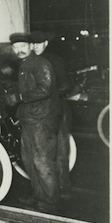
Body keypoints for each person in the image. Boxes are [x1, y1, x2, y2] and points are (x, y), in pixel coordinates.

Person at [5, 32, 61, 213]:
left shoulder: (40, 63)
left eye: (23, 46)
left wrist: (20, 97)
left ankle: (50, 202)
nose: (19, 50)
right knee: (29, 160)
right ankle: (39, 196)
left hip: (41, 120)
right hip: (30, 119)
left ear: (31, 47)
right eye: (16, 47)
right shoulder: (25, 65)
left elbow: (45, 88)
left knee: (42, 161)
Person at [31, 31, 73, 199]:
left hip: (59, 108)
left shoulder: (55, 60)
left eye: (39, 43)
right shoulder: (32, 62)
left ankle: (64, 189)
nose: (35, 47)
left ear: (46, 43)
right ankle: (51, 191)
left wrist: (46, 95)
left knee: (60, 150)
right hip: (45, 109)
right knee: (45, 153)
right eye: (32, 44)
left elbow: (65, 86)